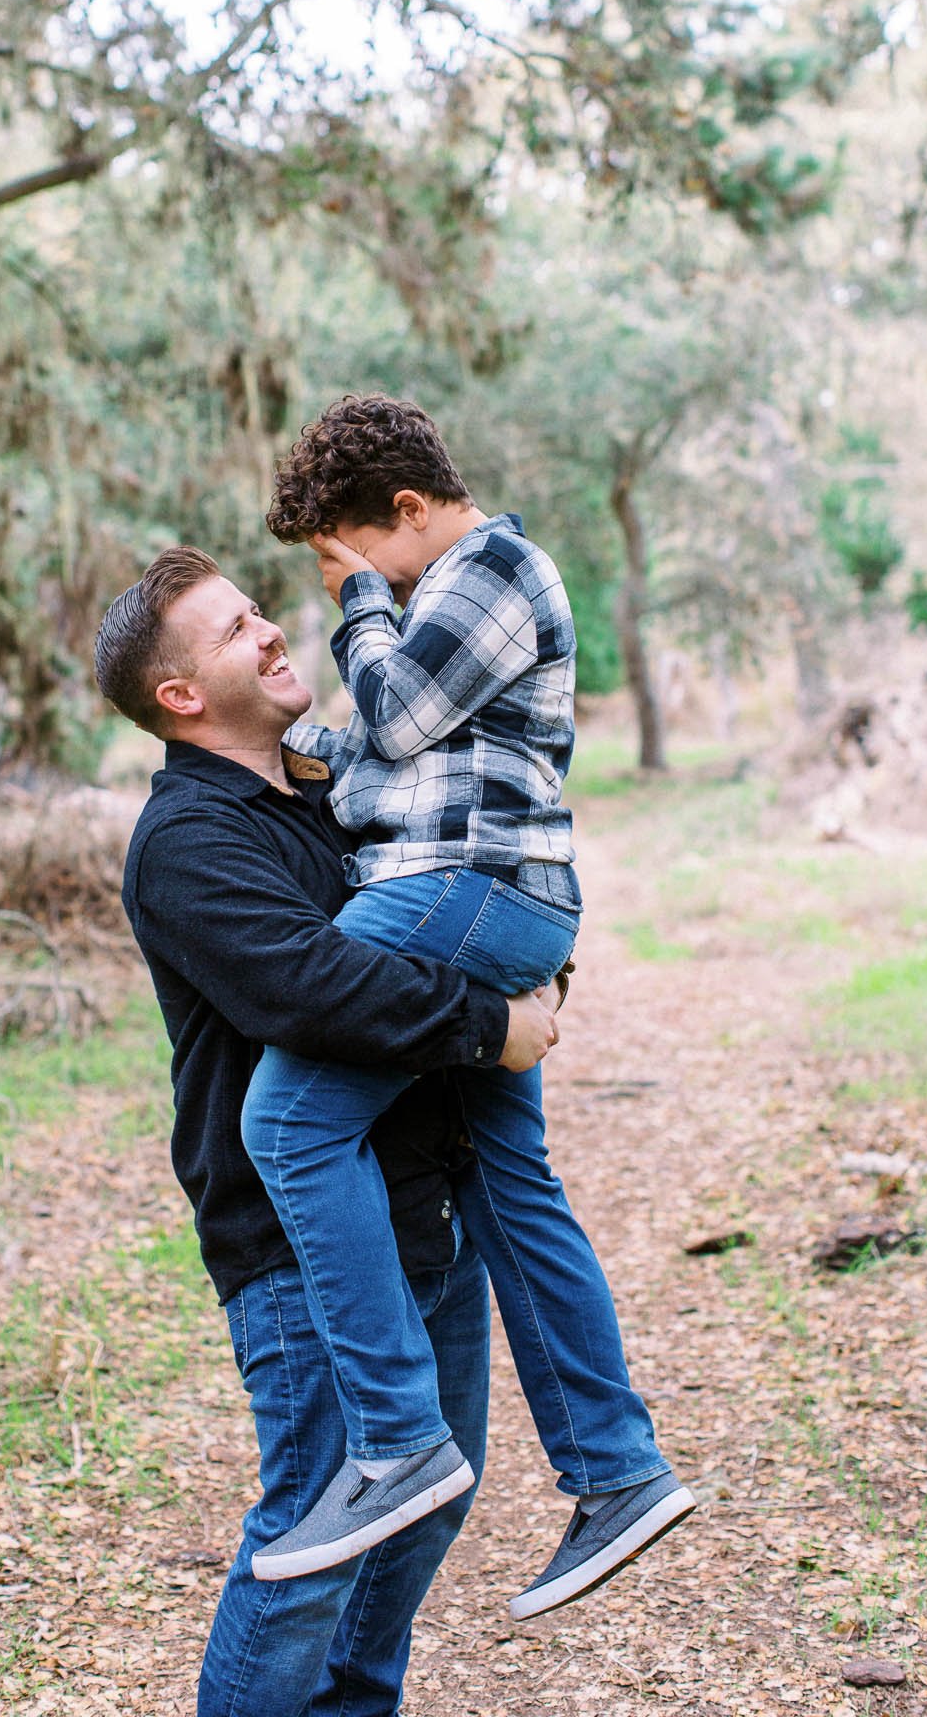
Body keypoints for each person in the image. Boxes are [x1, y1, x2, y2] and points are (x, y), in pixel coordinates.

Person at [241, 393, 693, 1621]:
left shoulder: (492, 565)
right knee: (504, 1175)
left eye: (345, 551)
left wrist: (359, 601)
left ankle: (395, 1439)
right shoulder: (443, 600)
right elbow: (392, 755)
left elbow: (393, 713)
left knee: (283, 1124)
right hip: (472, 893)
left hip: (465, 893)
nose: (343, 583)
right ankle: (616, 1466)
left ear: (404, 510)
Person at [93, 545, 560, 1717]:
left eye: (257, 607)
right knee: (312, 1534)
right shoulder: (191, 840)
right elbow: (315, 986)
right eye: (232, 627)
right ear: (181, 696)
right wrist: (490, 1021)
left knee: (428, 1494)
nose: (268, 629)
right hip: (298, 1246)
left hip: (424, 1211)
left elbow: (461, 891)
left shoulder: (329, 789)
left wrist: (525, 968)